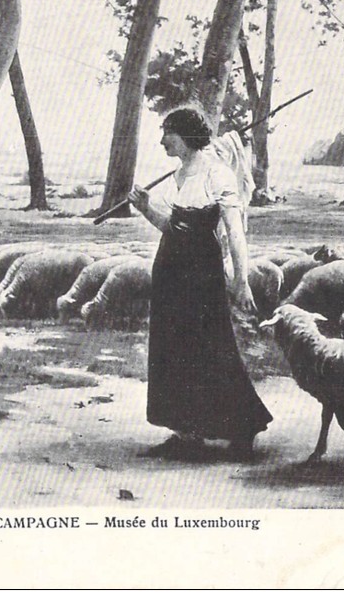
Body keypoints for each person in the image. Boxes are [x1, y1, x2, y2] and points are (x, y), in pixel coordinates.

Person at [128, 108, 272, 460]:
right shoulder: (180, 174)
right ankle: (186, 431)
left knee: (212, 345)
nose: (162, 141)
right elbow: (173, 228)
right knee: (173, 348)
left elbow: (234, 233)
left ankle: (243, 427)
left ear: (187, 135)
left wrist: (242, 281)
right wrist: (146, 208)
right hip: (170, 271)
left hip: (201, 273)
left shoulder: (218, 173)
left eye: (168, 134)